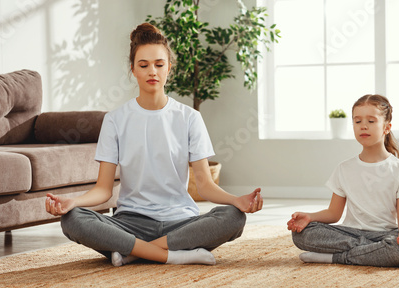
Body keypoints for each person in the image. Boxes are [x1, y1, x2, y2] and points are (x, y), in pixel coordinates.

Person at [45, 23, 263, 267]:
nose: (152, 71)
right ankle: (173, 254)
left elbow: (205, 186)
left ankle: (133, 252)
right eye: (144, 65)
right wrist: (73, 202)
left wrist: (237, 201)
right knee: (72, 219)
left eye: (159, 64)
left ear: (169, 68)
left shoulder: (189, 118)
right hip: (130, 222)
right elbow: (104, 190)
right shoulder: (115, 120)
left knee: (233, 217)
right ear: (133, 70)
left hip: (180, 222)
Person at [287, 94, 399, 267]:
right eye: (357, 121)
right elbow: (334, 213)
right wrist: (310, 217)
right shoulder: (344, 168)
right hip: (349, 233)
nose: (363, 126)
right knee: (301, 234)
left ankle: (335, 258)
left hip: (384, 234)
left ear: (387, 127)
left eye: (371, 121)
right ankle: (372, 252)